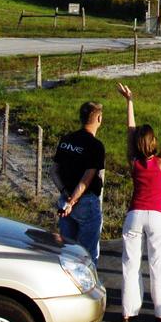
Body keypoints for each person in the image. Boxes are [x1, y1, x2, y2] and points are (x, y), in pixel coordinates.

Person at [119, 82, 161, 322]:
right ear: (154, 143)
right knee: (160, 263)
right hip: (158, 216)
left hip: (134, 215)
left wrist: (130, 101)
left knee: (130, 264)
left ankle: (128, 310)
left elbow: (130, 130)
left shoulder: (133, 161)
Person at [52, 100, 106, 264]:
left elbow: (53, 171)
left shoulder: (66, 139)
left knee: (67, 252)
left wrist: (65, 194)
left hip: (64, 201)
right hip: (85, 202)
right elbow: (87, 178)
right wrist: (73, 200)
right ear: (99, 119)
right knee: (86, 256)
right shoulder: (96, 146)